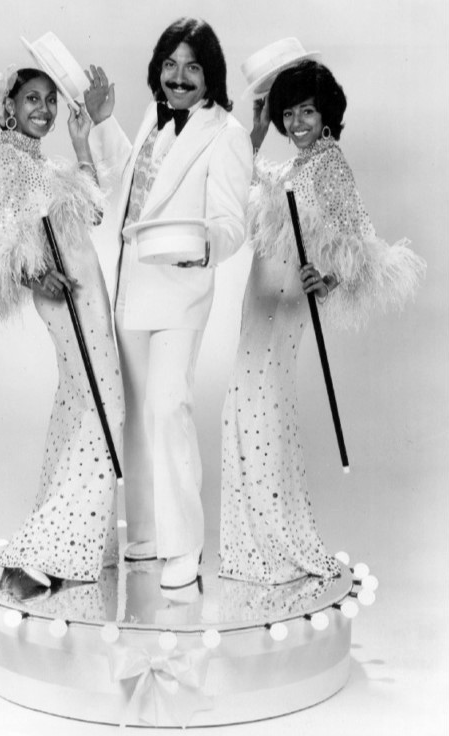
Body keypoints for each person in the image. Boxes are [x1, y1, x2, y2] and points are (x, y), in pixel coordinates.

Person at [219, 56, 426, 585]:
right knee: (243, 411)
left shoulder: (331, 163)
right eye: (289, 114)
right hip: (256, 305)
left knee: (260, 414)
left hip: (285, 308)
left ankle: (277, 550)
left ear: (326, 112)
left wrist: (330, 279)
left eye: (306, 111)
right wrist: (258, 129)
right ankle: (254, 549)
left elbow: (362, 247)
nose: (297, 124)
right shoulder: (291, 166)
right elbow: (242, 176)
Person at [0, 66, 124, 593]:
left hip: (90, 297)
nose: (43, 109)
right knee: (104, 407)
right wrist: (33, 274)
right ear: (9, 107)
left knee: (79, 406)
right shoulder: (8, 162)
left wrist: (82, 141)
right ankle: (49, 546)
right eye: (31, 99)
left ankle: (85, 544)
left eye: (50, 101)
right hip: (69, 302)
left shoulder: (38, 161)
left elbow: (97, 213)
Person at [83, 17, 253, 590]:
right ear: (158, 69)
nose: (179, 78)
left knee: (167, 407)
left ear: (211, 76)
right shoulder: (152, 119)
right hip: (132, 289)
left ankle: (184, 548)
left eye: (193, 67)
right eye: (171, 65)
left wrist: (200, 248)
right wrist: (104, 123)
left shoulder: (225, 133)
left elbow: (233, 223)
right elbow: (126, 187)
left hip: (181, 292)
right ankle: (147, 534)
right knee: (135, 415)